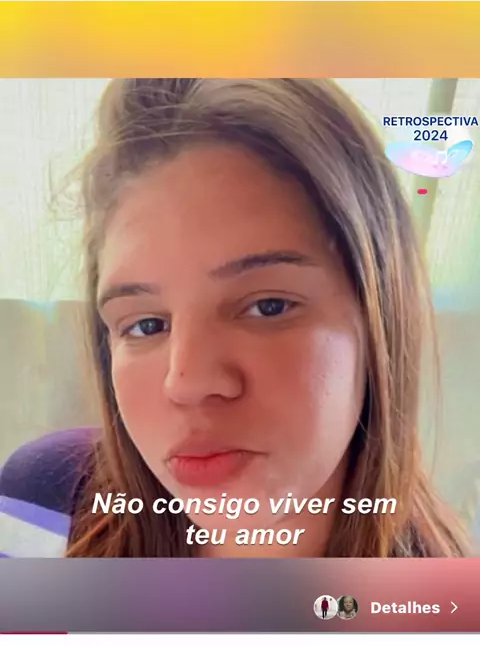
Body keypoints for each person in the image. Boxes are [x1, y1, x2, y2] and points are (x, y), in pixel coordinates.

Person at [0, 79, 468, 558]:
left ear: (379, 321)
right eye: (145, 325)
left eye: (268, 306)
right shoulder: (44, 500)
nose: (186, 383)